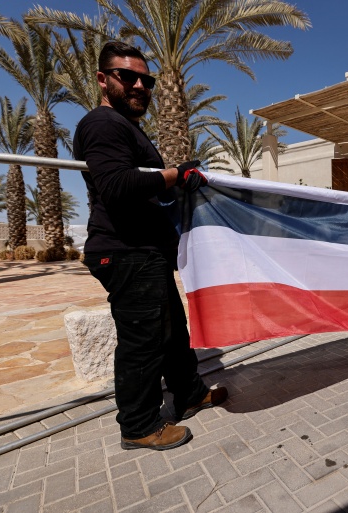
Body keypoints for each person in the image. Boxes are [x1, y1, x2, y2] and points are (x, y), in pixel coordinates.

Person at [74, 41, 227, 451]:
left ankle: (189, 393)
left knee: (172, 332)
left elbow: (143, 188)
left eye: (147, 79)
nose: (141, 84)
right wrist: (175, 175)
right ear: (104, 80)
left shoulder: (126, 128)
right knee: (142, 341)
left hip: (145, 251)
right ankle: (139, 425)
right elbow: (117, 184)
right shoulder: (102, 124)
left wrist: (177, 182)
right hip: (124, 251)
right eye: (129, 76)